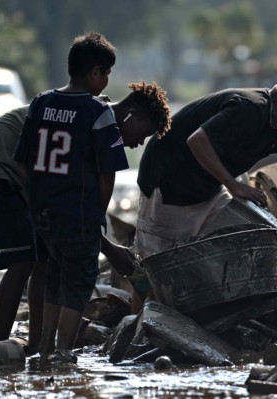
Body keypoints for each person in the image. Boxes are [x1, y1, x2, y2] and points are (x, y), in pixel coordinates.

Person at [0, 78, 169, 356]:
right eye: (143, 134)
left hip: (29, 174)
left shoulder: (98, 119)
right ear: (131, 116)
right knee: (24, 259)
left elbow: (80, 204)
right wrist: (109, 249)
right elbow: (75, 207)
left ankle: (36, 345)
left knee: (45, 257)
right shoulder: (94, 118)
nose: (138, 143)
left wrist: (106, 245)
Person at [13, 32, 169, 363]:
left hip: (42, 211)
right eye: (107, 73)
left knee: (54, 276)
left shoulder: (41, 102)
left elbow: (22, 161)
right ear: (95, 73)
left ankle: (44, 348)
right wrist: (97, 214)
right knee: (79, 281)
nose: (108, 81)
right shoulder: (97, 112)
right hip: (79, 212)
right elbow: (107, 173)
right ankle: (65, 351)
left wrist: (38, 196)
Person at [135, 64, 277, 258]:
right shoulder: (250, 109)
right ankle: (135, 294)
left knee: (252, 238)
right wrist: (233, 185)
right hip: (168, 180)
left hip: (208, 187)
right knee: (157, 260)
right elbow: (197, 141)